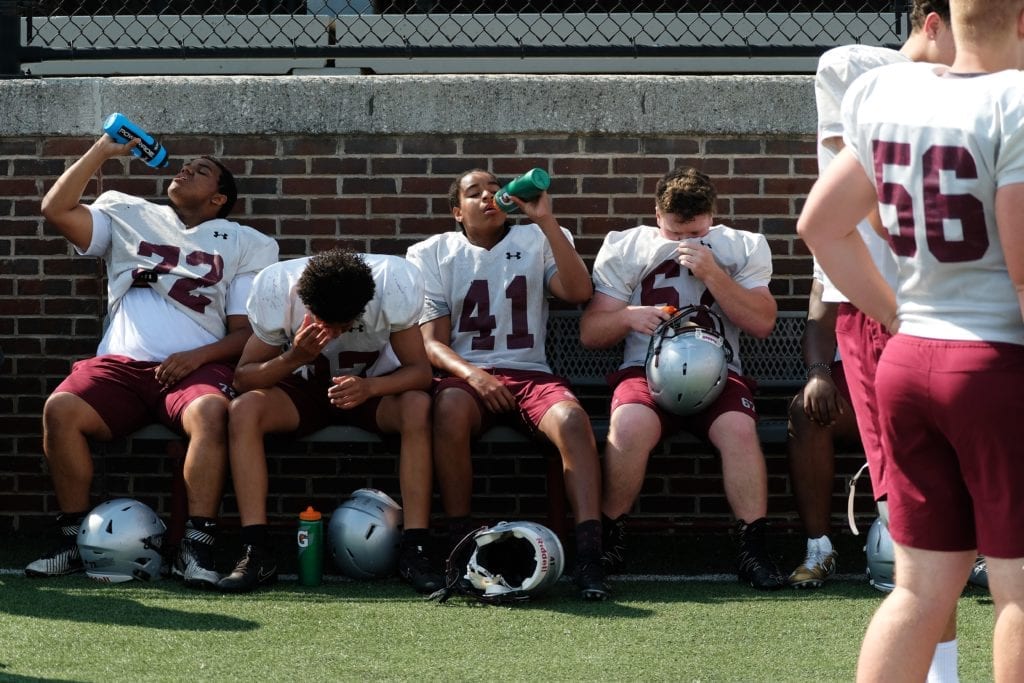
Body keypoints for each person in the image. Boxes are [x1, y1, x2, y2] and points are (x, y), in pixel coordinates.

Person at [798, 0, 1024, 678]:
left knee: (920, 587)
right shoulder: (1014, 101)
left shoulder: (887, 94)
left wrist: (898, 315)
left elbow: (819, 225)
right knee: (1018, 590)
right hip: (993, 364)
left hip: (911, 359)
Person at [31, 133, 279, 589]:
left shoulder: (245, 243)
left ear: (219, 198)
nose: (184, 170)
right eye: (186, 165)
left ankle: (195, 544)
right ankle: (71, 536)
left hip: (197, 367)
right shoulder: (128, 214)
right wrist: (102, 151)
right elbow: (56, 209)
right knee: (60, 409)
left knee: (211, 411)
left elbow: (247, 333)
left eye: (201, 170)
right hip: (121, 366)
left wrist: (196, 357)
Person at [804, 3, 963, 679]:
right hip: (885, 305)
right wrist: (909, 305)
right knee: (917, 517)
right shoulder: (856, 69)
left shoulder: (984, 83)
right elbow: (861, 196)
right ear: (933, 21)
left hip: (960, 315)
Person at [405, 169, 610, 601]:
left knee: (573, 420)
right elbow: (430, 344)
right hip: (468, 375)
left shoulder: (538, 239)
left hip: (530, 373)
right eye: (474, 193)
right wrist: (472, 374)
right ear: (457, 211)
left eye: (495, 191)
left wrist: (546, 221)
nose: (488, 197)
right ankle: (460, 546)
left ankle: (591, 553)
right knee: (448, 410)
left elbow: (577, 291)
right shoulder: (431, 252)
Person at [580, 166, 784, 591]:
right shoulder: (628, 247)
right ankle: (609, 534)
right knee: (629, 424)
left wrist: (714, 274)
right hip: (646, 369)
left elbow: (763, 322)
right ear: (657, 215)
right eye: (675, 235)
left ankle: (753, 546)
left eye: (695, 233)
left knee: (739, 431)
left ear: (713, 215)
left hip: (719, 371)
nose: (684, 244)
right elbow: (591, 333)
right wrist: (627, 316)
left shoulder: (740, 247)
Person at [217, 247, 440, 594]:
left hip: (370, 387)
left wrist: (371, 387)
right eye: (326, 323)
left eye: (344, 325)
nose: (334, 334)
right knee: (243, 410)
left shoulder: (392, 284)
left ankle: (417, 547)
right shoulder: (278, 288)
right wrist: (295, 356)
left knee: (416, 406)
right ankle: (256, 548)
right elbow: (243, 379)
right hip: (304, 388)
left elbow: (420, 373)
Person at [785, 276, 860, 589]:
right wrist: (818, 372)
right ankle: (819, 548)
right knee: (807, 410)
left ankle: (980, 548)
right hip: (857, 368)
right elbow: (819, 318)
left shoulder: (937, 237)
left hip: (925, 362)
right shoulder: (844, 239)